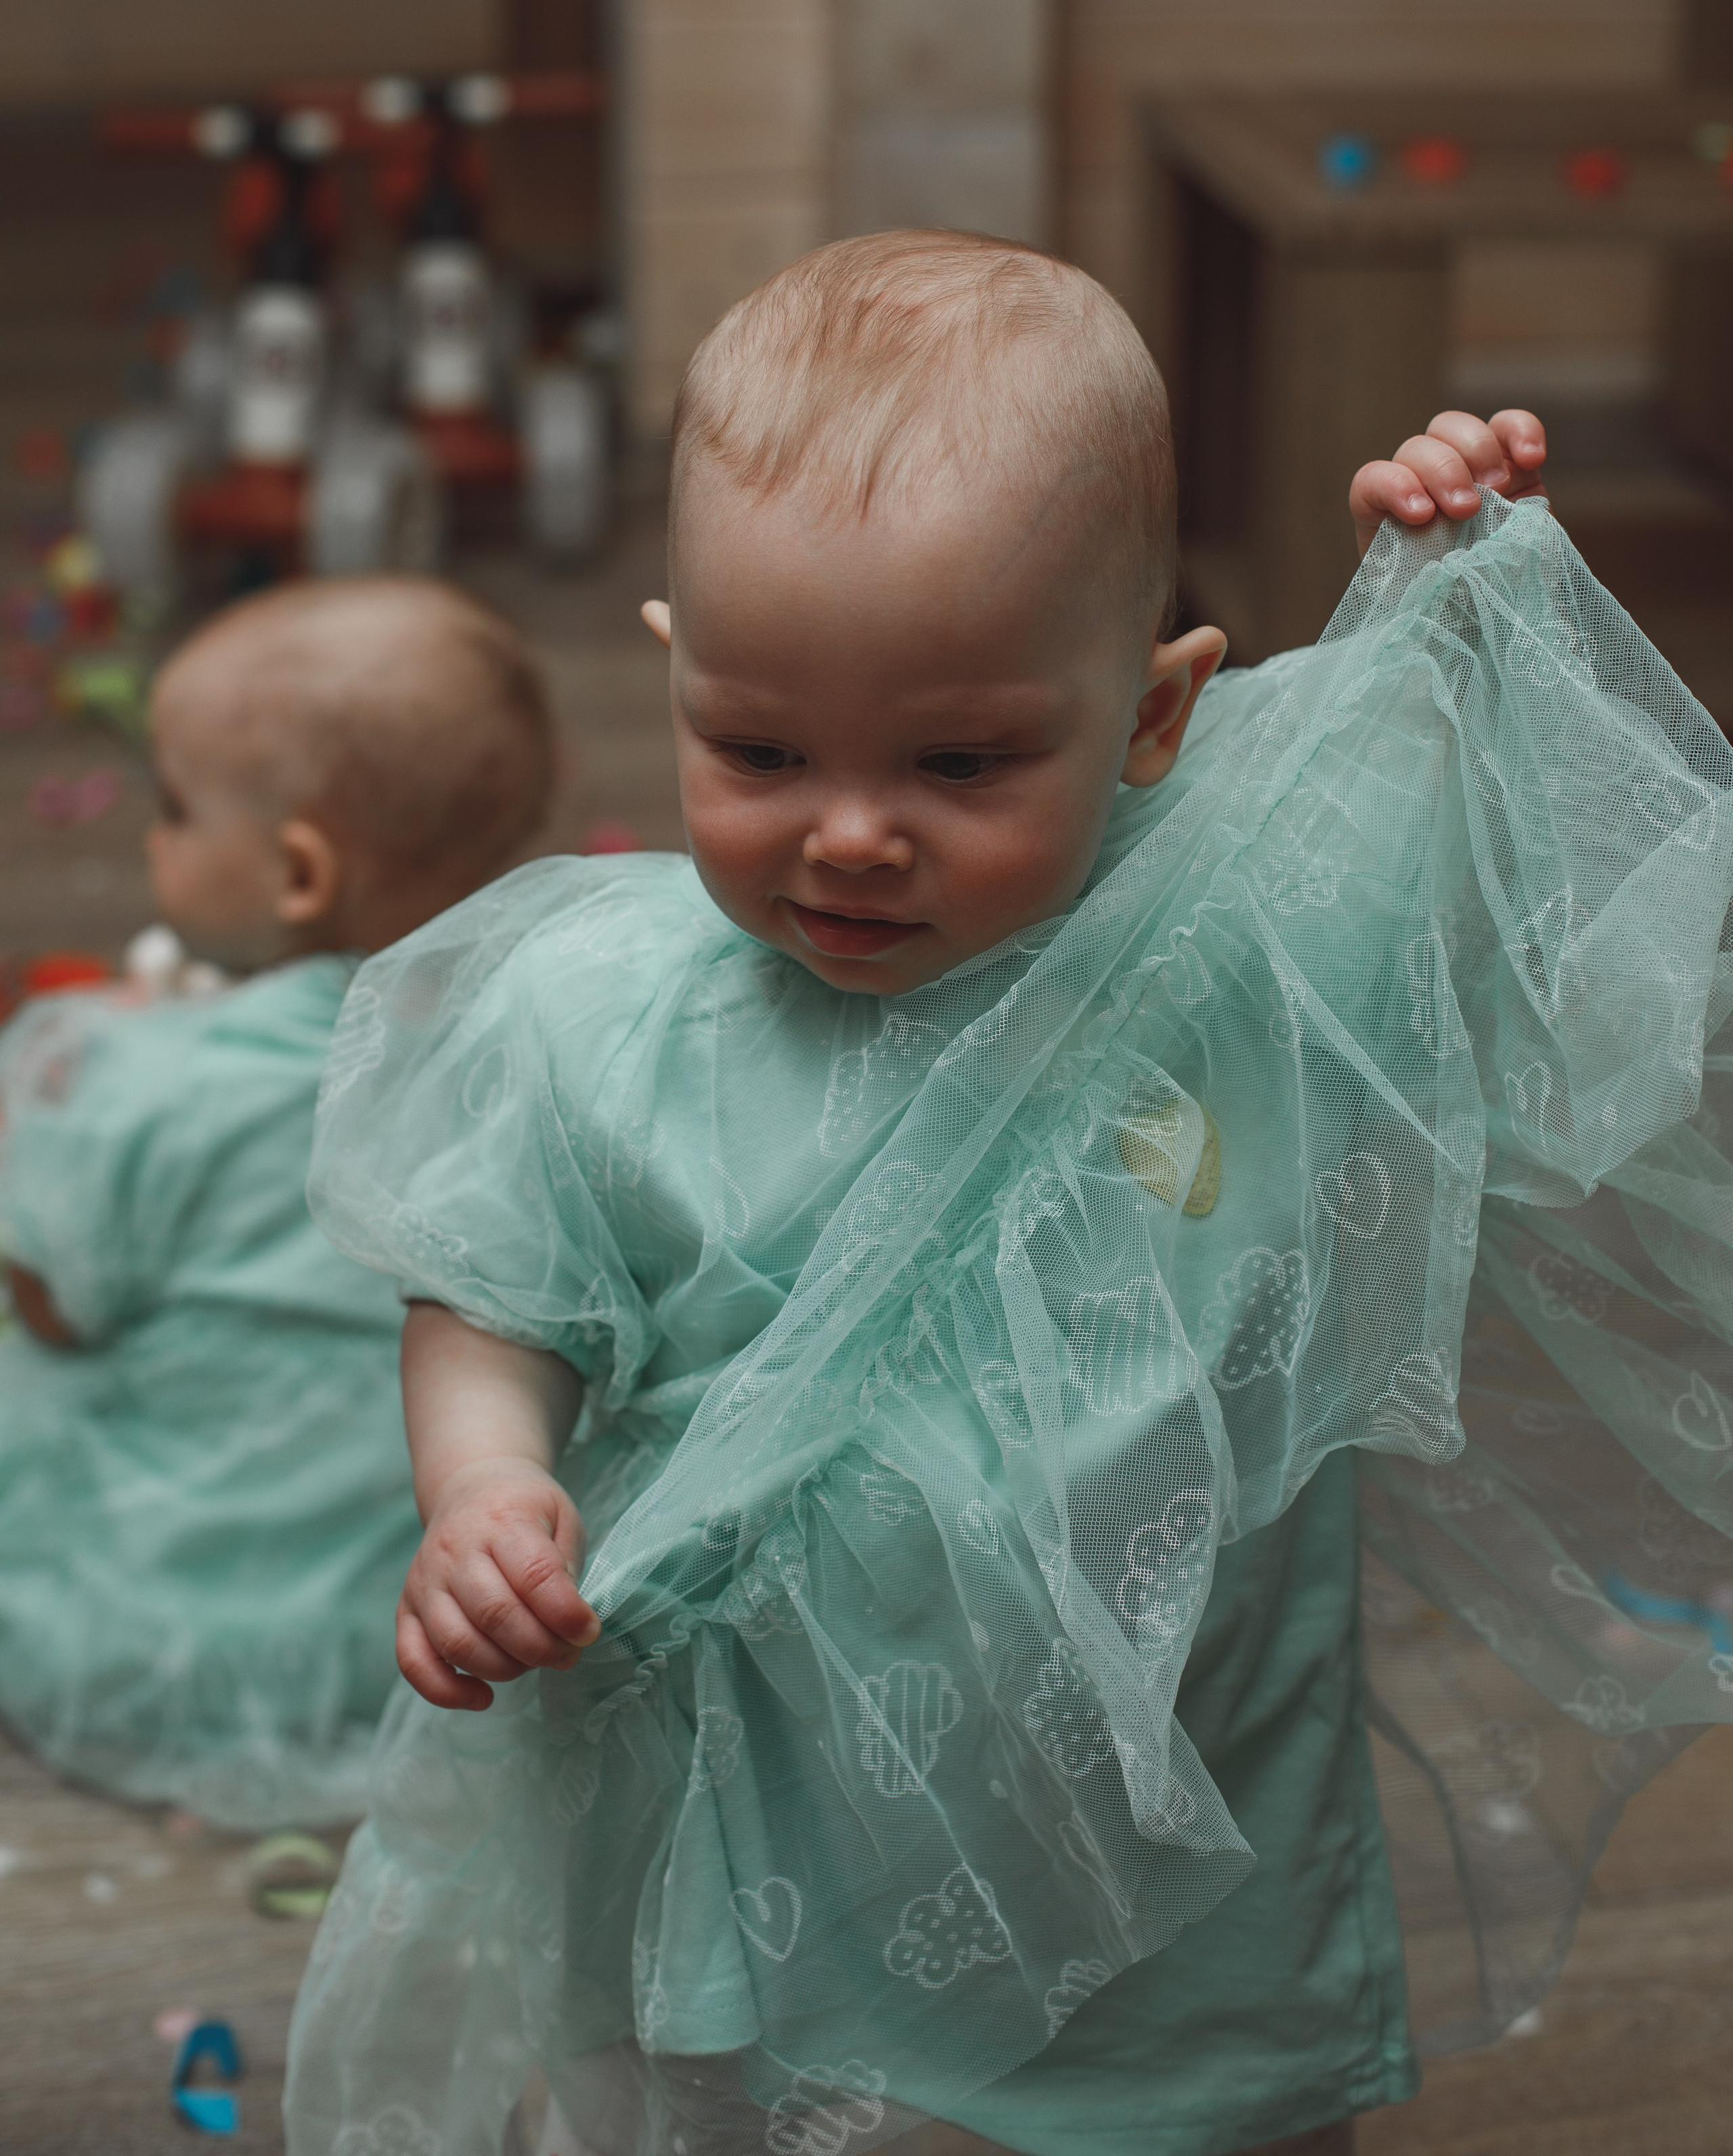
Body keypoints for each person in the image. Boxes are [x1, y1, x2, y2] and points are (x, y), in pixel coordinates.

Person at [285, 232, 1730, 2156]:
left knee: (1202, 2113)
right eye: (760, 748)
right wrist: (485, 1483)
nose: (854, 829)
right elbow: (496, 1291)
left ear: (1153, 718)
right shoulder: (598, 1018)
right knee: (751, 2101)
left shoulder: (1233, 957)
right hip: (771, 1808)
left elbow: (1502, 872)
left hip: (1170, 1821)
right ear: (677, 677)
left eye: (964, 761)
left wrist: (1455, 613)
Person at [0, 577, 556, 1829]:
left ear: (299, 875)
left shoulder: (148, 1078)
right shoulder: (525, 1067)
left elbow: (51, 1308)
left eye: (175, 809)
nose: (155, 839)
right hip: (413, 1641)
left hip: (140, 1630)